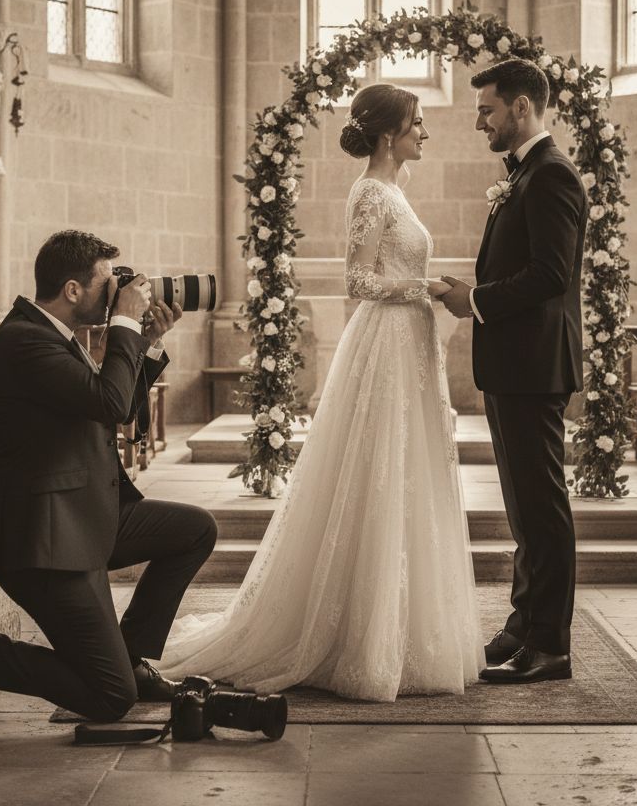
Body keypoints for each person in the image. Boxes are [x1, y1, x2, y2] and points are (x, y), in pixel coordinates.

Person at [157, 84, 484, 701]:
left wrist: (425, 288)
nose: (425, 133)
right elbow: (356, 280)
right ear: (390, 135)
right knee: (377, 471)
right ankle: (355, 634)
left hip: (407, 343)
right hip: (385, 343)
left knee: (409, 473)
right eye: (418, 123)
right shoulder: (369, 192)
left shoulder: (396, 192)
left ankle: (405, 626)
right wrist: (426, 289)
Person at [0, 231, 218, 722]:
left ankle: (131, 656)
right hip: (45, 545)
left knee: (195, 530)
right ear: (73, 290)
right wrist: (123, 320)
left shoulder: (54, 337)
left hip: (85, 518)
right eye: (106, 284)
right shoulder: (23, 341)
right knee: (110, 698)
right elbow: (108, 400)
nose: (114, 293)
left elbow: (116, 411)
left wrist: (144, 344)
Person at [438, 58, 586, 685]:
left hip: (532, 368)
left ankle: (551, 644)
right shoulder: (525, 175)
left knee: (542, 508)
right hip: (512, 367)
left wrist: (474, 300)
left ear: (521, 106)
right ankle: (526, 624)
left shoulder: (551, 176)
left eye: (487, 109)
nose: (480, 122)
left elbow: (552, 275)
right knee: (524, 509)